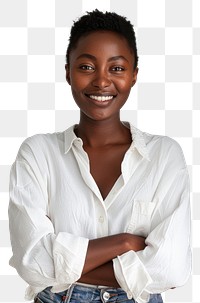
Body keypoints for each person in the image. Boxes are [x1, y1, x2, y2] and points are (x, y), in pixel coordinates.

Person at [9, 10, 191, 303]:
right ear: (67, 71)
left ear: (134, 75)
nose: (102, 81)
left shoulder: (164, 156)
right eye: (86, 66)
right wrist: (125, 243)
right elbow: (32, 262)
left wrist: (64, 265)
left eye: (116, 68)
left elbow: (171, 269)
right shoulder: (38, 153)